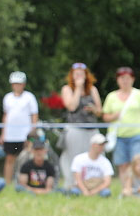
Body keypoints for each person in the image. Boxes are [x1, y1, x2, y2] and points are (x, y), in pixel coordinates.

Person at [59, 62, 102, 188]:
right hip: (75, 129)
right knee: (73, 158)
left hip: (92, 129)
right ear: (72, 76)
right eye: (76, 74)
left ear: (86, 75)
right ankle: (72, 185)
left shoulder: (92, 89)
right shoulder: (67, 89)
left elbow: (100, 112)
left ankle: (92, 184)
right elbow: (71, 107)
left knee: (94, 156)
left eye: (81, 74)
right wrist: (78, 88)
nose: (79, 76)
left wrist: (93, 109)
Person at [102, 66, 140, 197]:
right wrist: (113, 116)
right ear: (117, 80)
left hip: (137, 134)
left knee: (137, 163)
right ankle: (126, 190)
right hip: (118, 135)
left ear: (133, 79)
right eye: (122, 78)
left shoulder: (138, 94)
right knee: (123, 165)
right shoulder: (111, 96)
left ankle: (137, 189)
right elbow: (105, 116)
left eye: (128, 78)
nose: (125, 81)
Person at [0, 71, 39, 184]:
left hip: (25, 134)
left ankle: (24, 183)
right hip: (10, 134)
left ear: (23, 84)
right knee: (9, 159)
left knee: (25, 158)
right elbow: (5, 115)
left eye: (19, 83)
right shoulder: (7, 97)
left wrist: (33, 131)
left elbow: (34, 114)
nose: (17, 86)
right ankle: (7, 183)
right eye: (15, 83)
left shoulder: (29, 97)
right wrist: (3, 133)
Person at [66, 133, 113, 197]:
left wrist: (93, 192)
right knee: (74, 192)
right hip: (82, 186)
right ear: (93, 145)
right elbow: (77, 178)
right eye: (100, 145)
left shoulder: (105, 161)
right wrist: (85, 191)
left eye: (103, 145)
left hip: (98, 187)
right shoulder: (79, 158)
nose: (102, 147)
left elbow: (107, 182)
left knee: (106, 193)